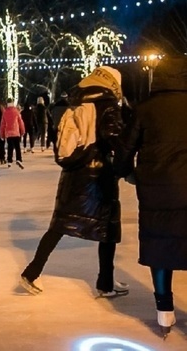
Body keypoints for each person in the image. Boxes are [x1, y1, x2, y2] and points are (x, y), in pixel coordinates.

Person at [20, 66, 127, 298]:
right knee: (107, 228)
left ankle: (31, 272)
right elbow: (115, 138)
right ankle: (105, 283)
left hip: (73, 174)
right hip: (98, 176)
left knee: (60, 224)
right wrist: (126, 165)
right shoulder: (107, 104)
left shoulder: (77, 102)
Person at [116, 55, 187, 337]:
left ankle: (164, 311)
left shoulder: (145, 109)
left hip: (157, 189)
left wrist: (130, 174)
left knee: (161, 246)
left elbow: (123, 151)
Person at [0, 98, 25, 169]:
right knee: (17, 147)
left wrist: (2, 134)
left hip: (8, 133)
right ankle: (18, 159)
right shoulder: (16, 111)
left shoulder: (5, 113)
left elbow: (2, 124)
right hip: (16, 132)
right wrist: (22, 130)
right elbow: (21, 122)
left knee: (10, 147)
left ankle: (9, 161)